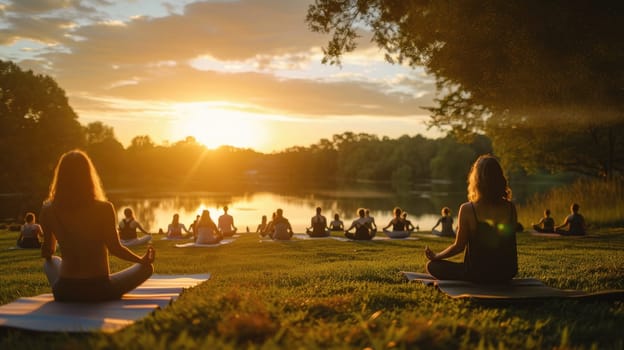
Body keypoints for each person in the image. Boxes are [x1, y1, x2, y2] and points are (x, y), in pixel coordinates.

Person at [40, 150, 154, 302]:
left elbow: (48, 251)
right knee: (147, 269)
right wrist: (141, 260)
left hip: (64, 291)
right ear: (88, 176)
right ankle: (143, 266)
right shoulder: (104, 208)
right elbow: (115, 248)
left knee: (51, 262)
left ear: (60, 176)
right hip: (99, 290)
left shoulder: (48, 210)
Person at [424, 155, 518, 283]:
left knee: (432, 266)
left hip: (477, 273)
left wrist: (436, 256)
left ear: (477, 180)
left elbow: (459, 246)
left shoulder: (468, 209)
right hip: (507, 272)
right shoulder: (511, 208)